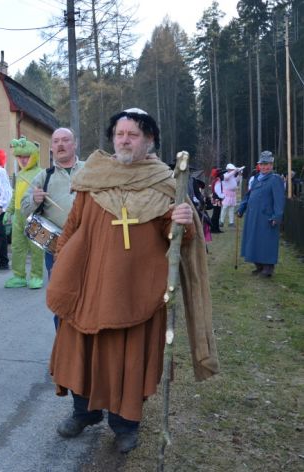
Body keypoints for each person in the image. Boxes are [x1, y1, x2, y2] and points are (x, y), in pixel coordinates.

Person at [47, 108, 218, 454]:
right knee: (83, 351)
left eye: (133, 134)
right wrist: (63, 263)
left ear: (149, 141)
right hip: (88, 287)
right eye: (120, 134)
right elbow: (73, 225)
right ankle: (84, 412)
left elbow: (173, 236)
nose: (124, 140)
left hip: (136, 290)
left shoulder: (165, 183)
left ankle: (125, 424)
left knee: (129, 357)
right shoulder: (94, 175)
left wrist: (183, 222)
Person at [20, 127, 84, 277]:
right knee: (60, 294)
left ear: (75, 144)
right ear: (52, 148)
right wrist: (33, 200)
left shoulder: (90, 169)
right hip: (57, 245)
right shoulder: (44, 177)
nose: (60, 144)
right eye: (56, 141)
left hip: (90, 241)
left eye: (65, 140)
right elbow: (24, 209)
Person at [4, 137, 45, 289]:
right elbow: (15, 194)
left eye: (26, 156)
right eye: (20, 157)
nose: (23, 160)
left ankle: (36, 276)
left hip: (34, 214)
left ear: (34, 156)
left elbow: (44, 195)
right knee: (17, 247)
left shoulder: (41, 173)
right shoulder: (19, 174)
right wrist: (8, 211)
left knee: (36, 247)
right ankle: (19, 276)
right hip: (17, 216)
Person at [237, 151, 285, 278]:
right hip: (253, 217)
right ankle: (259, 266)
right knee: (254, 241)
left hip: (266, 217)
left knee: (266, 242)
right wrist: (241, 208)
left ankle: (268, 269)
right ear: (259, 165)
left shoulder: (275, 179)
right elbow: (248, 196)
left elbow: (279, 200)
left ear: (272, 165)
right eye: (262, 164)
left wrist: (276, 216)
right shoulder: (257, 179)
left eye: (268, 164)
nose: (265, 167)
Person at [220, 163, 244, 227]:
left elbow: (237, 180)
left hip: (232, 194)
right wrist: (235, 171)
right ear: (228, 169)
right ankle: (221, 222)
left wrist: (239, 173)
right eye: (231, 169)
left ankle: (231, 222)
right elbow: (227, 177)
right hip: (226, 194)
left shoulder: (232, 176)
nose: (232, 170)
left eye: (232, 169)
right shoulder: (225, 175)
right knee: (225, 208)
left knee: (232, 209)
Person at [210, 168, 224, 233]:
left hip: (216, 198)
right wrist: (223, 196)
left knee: (216, 214)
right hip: (217, 199)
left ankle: (216, 228)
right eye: (221, 174)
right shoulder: (217, 181)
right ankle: (213, 229)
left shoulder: (216, 180)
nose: (223, 176)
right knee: (216, 214)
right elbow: (218, 192)